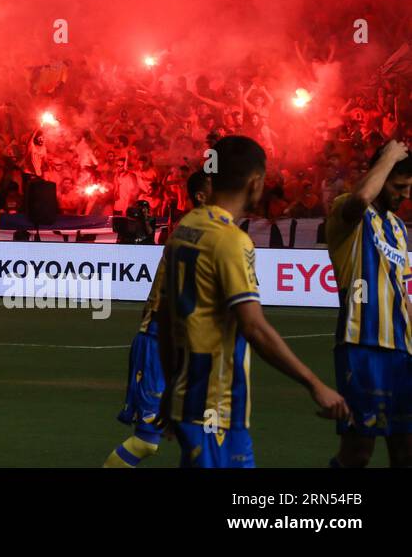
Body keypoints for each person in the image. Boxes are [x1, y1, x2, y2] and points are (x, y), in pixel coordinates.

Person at [158, 135, 349, 468]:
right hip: (213, 403)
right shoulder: (230, 241)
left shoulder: (185, 228)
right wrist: (315, 384)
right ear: (255, 182)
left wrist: (170, 387)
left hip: (193, 396)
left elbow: (164, 318)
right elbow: (255, 328)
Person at [104, 169, 210, 467]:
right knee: (146, 442)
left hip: (185, 347)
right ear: (202, 195)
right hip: (158, 342)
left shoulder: (208, 231)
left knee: (200, 438)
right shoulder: (193, 232)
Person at [324, 139, 412, 467]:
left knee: (405, 452)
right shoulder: (350, 212)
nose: (405, 195)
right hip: (360, 346)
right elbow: (362, 197)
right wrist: (388, 155)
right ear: (382, 175)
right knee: (359, 451)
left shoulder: (399, 229)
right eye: (400, 186)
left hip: (401, 354)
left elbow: (401, 292)